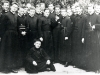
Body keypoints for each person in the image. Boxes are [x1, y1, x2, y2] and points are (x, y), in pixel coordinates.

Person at [0, 2, 23, 73]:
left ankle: (12, 67)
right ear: (10, 7)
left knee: (13, 51)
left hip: (14, 35)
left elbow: (18, 26)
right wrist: (1, 36)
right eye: (13, 7)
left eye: (16, 8)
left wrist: (20, 32)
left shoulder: (16, 15)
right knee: (7, 51)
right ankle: (5, 68)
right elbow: (2, 27)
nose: (14, 9)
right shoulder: (5, 15)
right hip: (7, 36)